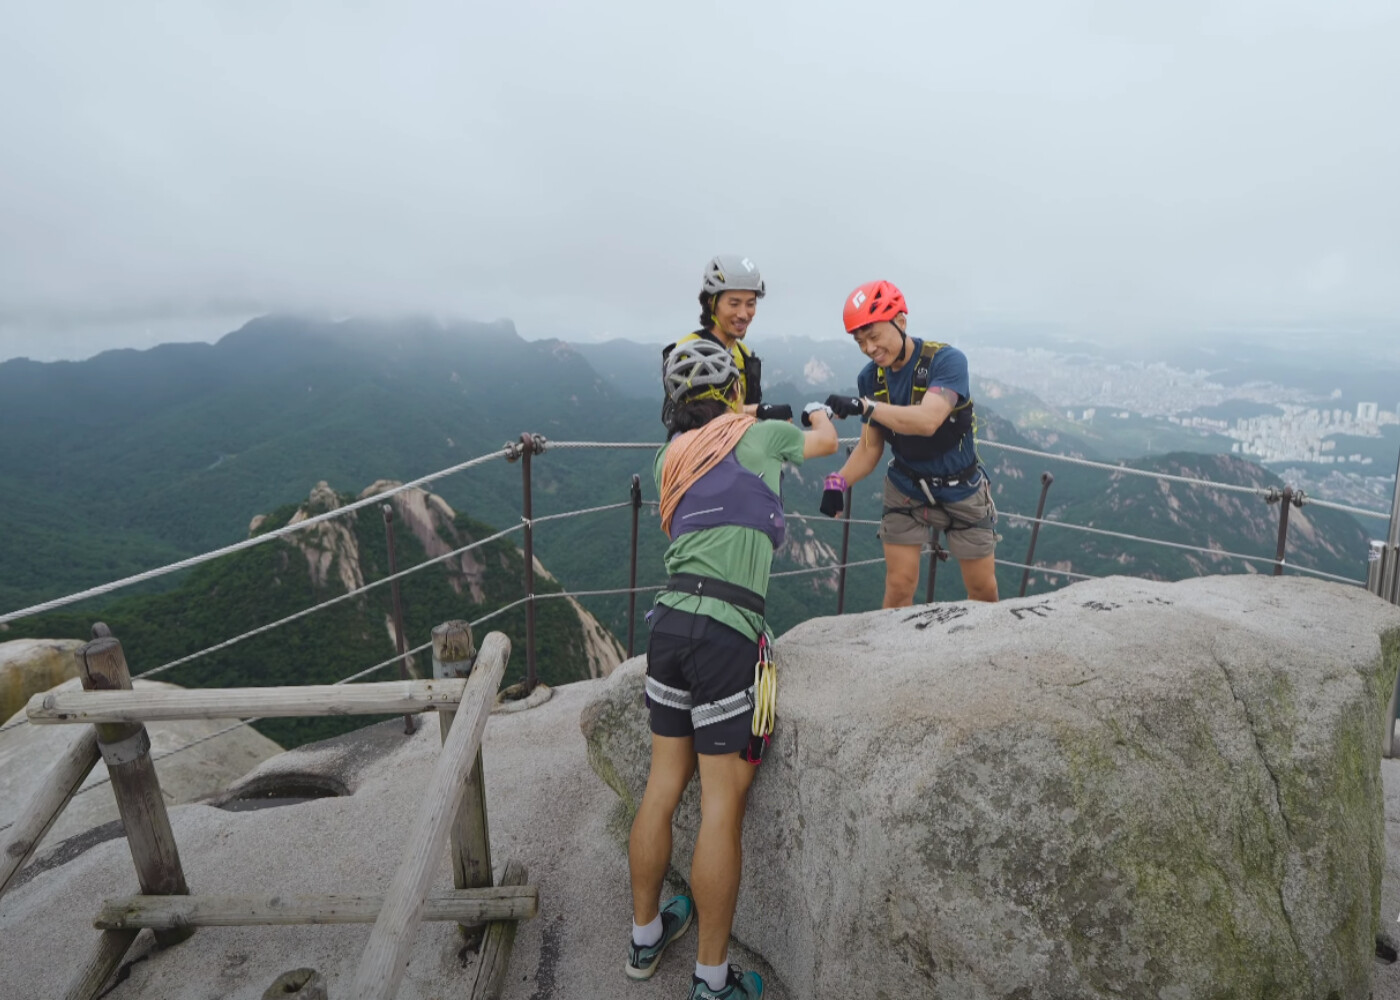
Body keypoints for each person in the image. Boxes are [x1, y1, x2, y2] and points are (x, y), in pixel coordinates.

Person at [628, 338, 837, 999]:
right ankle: (712, 983)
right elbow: (827, 448)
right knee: (721, 805)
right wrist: (820, 415)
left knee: (663, 789)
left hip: (668, 626)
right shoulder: (765, 435)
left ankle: (643, 941)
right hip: (727, 633)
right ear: (733, 389)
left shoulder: (668, 457)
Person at [819, 280, 999, 607]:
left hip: (963, 489)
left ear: (901, 321)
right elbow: (870, 447)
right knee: (899, 587)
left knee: (983, 591)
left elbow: (929, 420)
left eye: (874, 336)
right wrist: (838, 481)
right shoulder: (870, 378)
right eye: (861, 342)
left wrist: (865, 406)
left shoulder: (946, 361)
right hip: (906, 488)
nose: (869, 348)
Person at [661, 255, 792, 431]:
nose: (744, 314)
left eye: (750, 304)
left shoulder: (743, 352)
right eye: (734, 304)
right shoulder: (689, 350)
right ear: (712, 303)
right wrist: (757, 410)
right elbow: (676, 417)